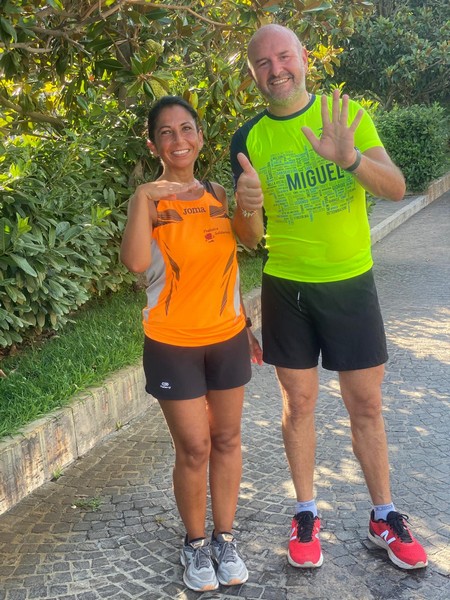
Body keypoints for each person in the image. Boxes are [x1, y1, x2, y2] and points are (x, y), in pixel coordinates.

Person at [230, 24, 428, 571]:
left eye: (284, 56)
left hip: (350, 282)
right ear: (253, 74)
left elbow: (395, 186)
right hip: (286, 286)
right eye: (263, 63)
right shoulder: (248, 140)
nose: (276, 69)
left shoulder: (348, 115)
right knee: (300, 405)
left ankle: (383, 515)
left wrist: (350, 161)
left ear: (303, 58)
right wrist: (246, 206)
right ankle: (305, 512)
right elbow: (249, 239)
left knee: (365, 403)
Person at [120, 96, 262, 592]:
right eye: (166, 132)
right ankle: (196, 543)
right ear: (153, 142)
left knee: (227, 440)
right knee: (195, 446)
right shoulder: (150, 199)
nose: (178, 140)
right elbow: (136, 263)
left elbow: (245, 246)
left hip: (226, 336)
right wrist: (143, 199)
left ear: (200, 137)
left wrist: (250, 203)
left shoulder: (220, 193)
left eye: (186, 129)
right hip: (171, 341)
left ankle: (225, 537)